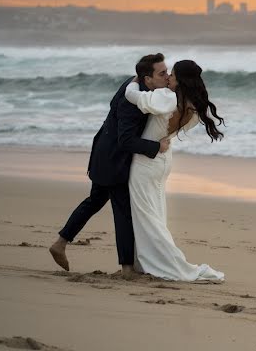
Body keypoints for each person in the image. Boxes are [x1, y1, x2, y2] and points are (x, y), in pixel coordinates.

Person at [50, 54, 170, 279]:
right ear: (148, 78)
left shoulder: (134, 85)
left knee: (94, 201)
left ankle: (60, 243)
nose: (167, 76)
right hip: (113, 160)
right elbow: (125, 140)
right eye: (162, 73)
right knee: (123, 213)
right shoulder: (131, 102)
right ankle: (126, 269)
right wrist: (157, 146)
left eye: (167, 71)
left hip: (105, 154)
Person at [124, 59, 225, 282]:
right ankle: (147, 263)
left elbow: (137, 98)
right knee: (156, 215)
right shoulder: (194, 107)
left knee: (147, 218)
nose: (168, 77)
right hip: (163, 161)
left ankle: (170, 264)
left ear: (180, 80)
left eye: (173, 75)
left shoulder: (168, 98)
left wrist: (132, 83)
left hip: (145, 162)